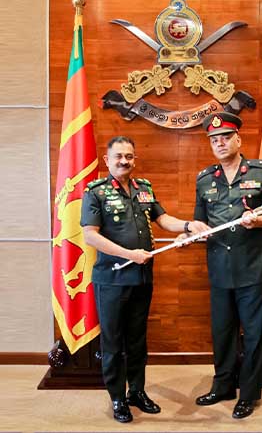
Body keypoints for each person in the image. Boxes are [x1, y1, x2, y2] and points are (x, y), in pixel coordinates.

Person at [81, 136, 209, 423]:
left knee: (137, 340)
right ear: (107, 160)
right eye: (118, 156)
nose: (124, 161)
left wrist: (189, 225)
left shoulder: (144, 189)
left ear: (134, 159)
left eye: (129, 156)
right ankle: (117, 398)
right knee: (113, 343)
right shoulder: (96, 192)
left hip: (141, 279)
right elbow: (90, 235)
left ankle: (136, 391)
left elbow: (163, 220)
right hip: (112, 281)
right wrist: (129, 253)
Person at [187, 112, 262, 419]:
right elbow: (199, 220)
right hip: (219, 267)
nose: (219, 143)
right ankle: (222, 386)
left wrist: (259, 221)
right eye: (214, 140)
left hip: (254, 268)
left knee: (254, 333)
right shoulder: (205, 179)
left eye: (225, 138)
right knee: (222, 332)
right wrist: (195, 230)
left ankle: (248, 393)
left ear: (238, 139)